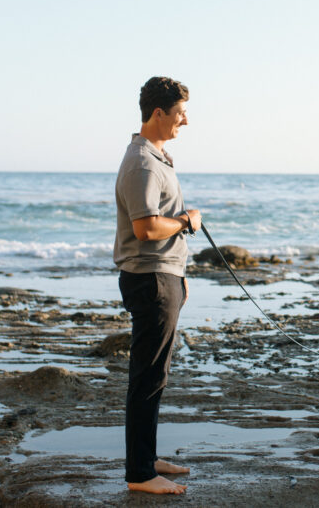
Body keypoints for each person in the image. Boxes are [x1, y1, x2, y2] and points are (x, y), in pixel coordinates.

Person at [114, 76, 201, 495]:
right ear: (158, 113)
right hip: (150, 280)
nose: (185, 120)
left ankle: (146, 461)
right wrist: (186, 221)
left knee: (155, 375)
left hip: (163, 278)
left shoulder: (158, 158)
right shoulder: (143, 163)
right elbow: (146, 227)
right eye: (180, 112)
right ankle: (140, 475)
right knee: (147, 377)